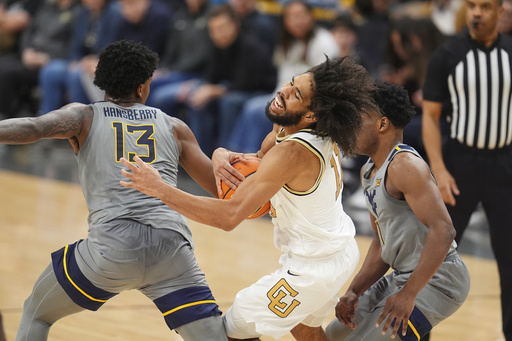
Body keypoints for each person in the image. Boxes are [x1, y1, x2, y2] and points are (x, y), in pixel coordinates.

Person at [120, 56, 378, 341]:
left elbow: (229, 216)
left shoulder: (293, 153)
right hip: (339, 251)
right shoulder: (287, 130)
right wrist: (220, 155)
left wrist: (160, 189)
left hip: (313, 269)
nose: (284, 92)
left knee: (229, 333)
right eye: (291, 83)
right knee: (307, 332)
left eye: (296, 95)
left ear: (311, 115)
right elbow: (245, 177)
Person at [0, 40, 228, 341]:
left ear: (101, 81)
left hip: (112, 250)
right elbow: (221, 188)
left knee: (36, 313)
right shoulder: (175, 126)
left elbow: (32, 127)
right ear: (144, 87)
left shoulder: (84, 116)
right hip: (172, 249)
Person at [325, 81, 470, 340]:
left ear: (382, 124)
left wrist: (409, 294)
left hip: (440, 279)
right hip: (403, 275)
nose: (350, 126)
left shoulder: (404, 165)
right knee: (336, 334)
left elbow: (445, 230)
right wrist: (353, 292)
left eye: (358, 118)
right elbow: (382, 244)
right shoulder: (368, 170)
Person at [421, 0, 512, 338]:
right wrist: (439, 170)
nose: (477, 12)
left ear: (499, 11)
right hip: (459, 165)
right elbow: (430, 117)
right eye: (472, 5)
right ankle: (418, 332)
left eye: (485, 6)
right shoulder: (447, 56)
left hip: (505, 165)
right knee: (435, 255)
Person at [225, 0, 340, 153]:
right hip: (283, 96)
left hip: (307, 104)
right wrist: (277, 99)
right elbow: (282, 78)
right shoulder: (288, 43)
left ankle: (249, 159)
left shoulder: (324, 42)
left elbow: (321, 86)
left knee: (254, 111)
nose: (296, 21)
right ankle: (238, 154)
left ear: (311, 16)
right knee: (250, 107)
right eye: (290, 17)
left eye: (300, 16)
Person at [185, 3, 276, 156]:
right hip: (233, 88)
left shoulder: (250, 46)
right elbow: (210, 77)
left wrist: (214, 91)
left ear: (235, 25)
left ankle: (228, 153)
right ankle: (200, 154)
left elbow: (244, 83)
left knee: (229, 102)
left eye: (222, 28)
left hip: (258, 90)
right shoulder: (216, 46)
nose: (218, 34)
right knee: (196, 95)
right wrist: (205, 88)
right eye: (213, 30)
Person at [0, 0, 76, 118]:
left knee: (7, 73)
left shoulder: (77, 11)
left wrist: (47, 57)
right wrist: (26, 51)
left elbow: (72, 45)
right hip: (31, 55)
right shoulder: (47, 7)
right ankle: (13, 114)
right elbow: (29, 32)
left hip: (52, 60)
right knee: (3, 64)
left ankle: (13, 116)